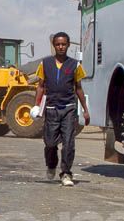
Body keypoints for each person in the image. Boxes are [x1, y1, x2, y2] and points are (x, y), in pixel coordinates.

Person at [32, 32, 90, 186]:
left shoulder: (75, 65)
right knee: (50, 143)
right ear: (54, 45)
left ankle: (66, 173)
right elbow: (40, 86)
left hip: (69, 109)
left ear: (68, 45)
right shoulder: (45, 64)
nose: (61, 47)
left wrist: (85, 109)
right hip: (51, 109)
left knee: (69, 143)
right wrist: (36, 106)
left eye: (63, 44)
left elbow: (79, 89)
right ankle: (51, 165)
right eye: (58, 44)